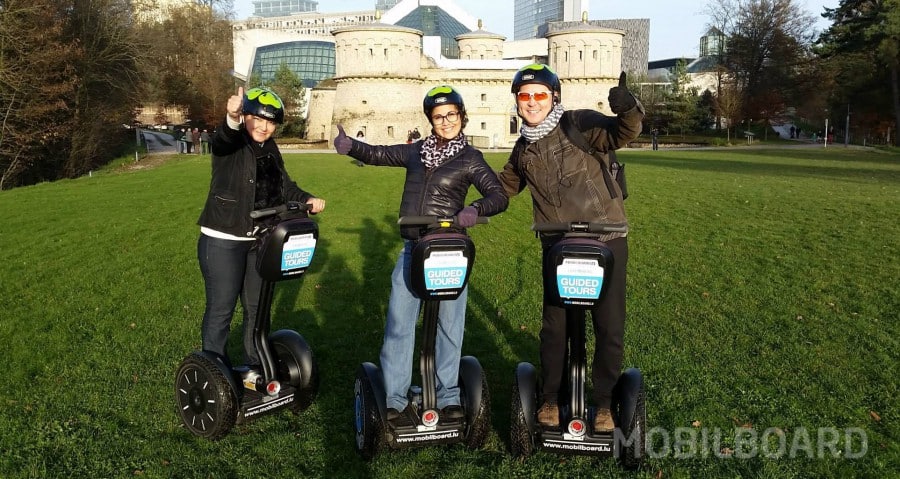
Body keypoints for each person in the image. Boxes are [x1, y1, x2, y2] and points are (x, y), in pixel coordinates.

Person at [333, 85, 508, 428]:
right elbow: (381, 154)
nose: (446, 121)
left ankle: (447, 395)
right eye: (438, 116)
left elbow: (498, 195)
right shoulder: (416, 152)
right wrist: (351, 146)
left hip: (449, 251)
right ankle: (395, 397)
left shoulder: (471, 158)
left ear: (461, 116)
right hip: (414, 248)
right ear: (430, 120)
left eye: (451, 115)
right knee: (399, 324)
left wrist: (475, 209)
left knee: (449, 326)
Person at [496, 64, 643, 433]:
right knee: (555, 327)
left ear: (554, 97)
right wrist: (463, 199)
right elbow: (503, 188)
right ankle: (550, 397)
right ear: (517, 101)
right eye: (524, 96)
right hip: (558, 246)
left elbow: (622, 132)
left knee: (608, 325)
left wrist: (628, 108)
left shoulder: (579, 123)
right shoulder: (523, 147)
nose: (532, 102)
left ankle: (605, 402)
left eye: (539, 94)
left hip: (606, 239)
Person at [196, 86, 326, 369]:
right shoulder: (233, 142)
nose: (263, 127)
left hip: (259, 240)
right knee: (221, 309)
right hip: (223, 239)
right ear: (246, 116)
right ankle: (213, 372)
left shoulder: (270, 148)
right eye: (257, 118)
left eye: (270, 122)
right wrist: (231, 117)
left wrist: (307, 199)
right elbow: (222, 139)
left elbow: (284, 186)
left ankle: (254, 369)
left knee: (257, 308)